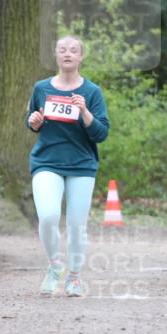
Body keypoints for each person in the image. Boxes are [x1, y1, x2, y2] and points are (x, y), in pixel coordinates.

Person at [26, 35, 110, 297]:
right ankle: (55, 265)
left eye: (73, 50)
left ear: (81, 57)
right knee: (48, 216)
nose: (67, 54)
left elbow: (101, 133)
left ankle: (74, 278)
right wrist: (34, 122)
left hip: (81, 165)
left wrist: (85, 112)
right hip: (46, 161)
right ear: (56, 55)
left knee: (76, 225)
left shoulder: (92, 92)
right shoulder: (41, 88)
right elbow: (32, 120)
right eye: (62, 49)